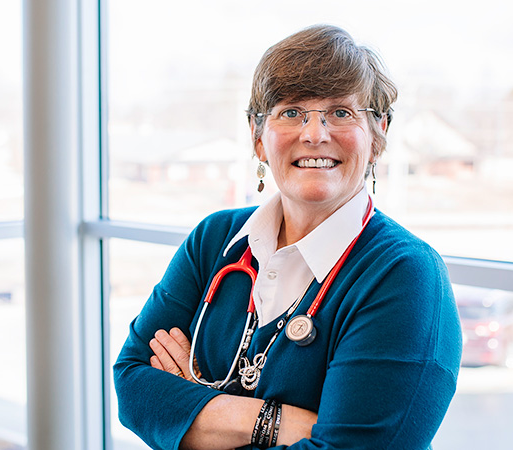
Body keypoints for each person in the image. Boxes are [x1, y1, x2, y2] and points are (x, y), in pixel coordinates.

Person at [114, 24, 462, 450]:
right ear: (259, 139)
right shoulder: (215, 241)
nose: (315, 134)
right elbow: (132, 385)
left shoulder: (405, 276)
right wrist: (275, 422)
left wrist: (192, 410)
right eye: (292, 112)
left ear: (377, 135)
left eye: (341, 112)